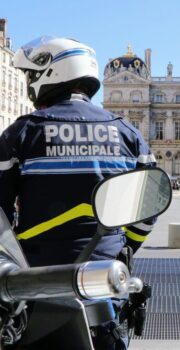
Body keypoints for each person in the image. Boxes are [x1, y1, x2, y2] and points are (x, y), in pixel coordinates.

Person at [0, 36, 157, 349]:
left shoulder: (24, 131)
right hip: (106, 280)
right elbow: (149, 206)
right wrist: (126, 249)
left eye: (32, 75)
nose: (30, 83)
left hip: (39, 281)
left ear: (52, 74)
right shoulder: (127, 132)